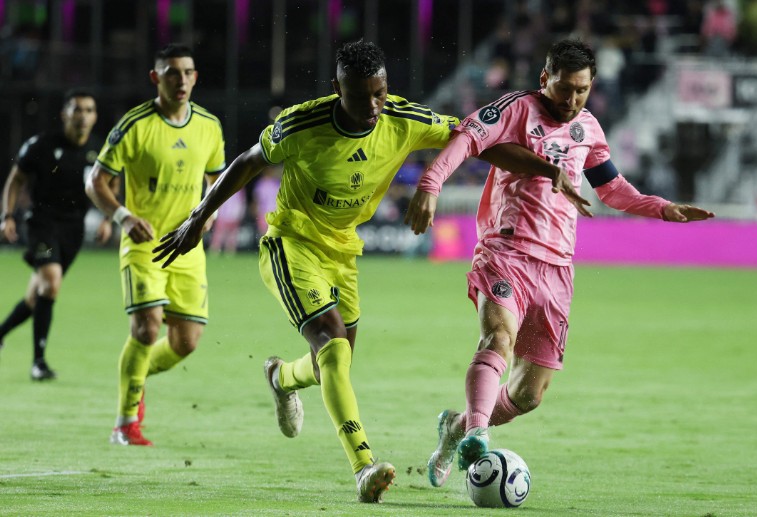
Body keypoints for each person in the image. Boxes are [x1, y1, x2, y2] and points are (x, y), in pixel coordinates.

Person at [150, 40, 582, 504]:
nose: (373, 106)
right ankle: (364, 466)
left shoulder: (403, 118)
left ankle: (280, 377)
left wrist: (545, 169)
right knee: (333, 350)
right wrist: (198, 218)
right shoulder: (301, 123)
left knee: (328, 363)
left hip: (344, 252)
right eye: (361, 96)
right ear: (337, 89)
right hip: (292, 243)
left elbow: (477, 142)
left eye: (380, 93)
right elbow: (247, 163)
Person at [404, 39, 715, 487]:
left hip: (557, 268)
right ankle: (476, 433)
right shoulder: (517, 109)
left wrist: (662, 208)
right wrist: (431, 184)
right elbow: (467, 138)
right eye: (564, 89)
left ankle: (455, 427)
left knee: (529, 394)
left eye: (582, 91)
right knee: (498, 336)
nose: (571, 101)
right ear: (544, 78)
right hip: (506, 250)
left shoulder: (587, 128)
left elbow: (611, 189)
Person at [85, 43, 225, 446]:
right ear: (155, 78)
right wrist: (124, 216)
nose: (181, 80)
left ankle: (137, 375)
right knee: (146, 330)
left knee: (186, 343)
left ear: (195, 77)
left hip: (186, 247)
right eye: (171, 72)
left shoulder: (209, 126)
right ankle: (125, 423)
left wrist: (208, 215)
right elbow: (95, 181)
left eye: (187, 72)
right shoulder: (134, 125)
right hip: (143, 246)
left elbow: (217, 180)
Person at [0, 88, 110, 381]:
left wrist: (109, 218)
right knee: (51, 283)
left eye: (89, 110)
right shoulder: (42, 145)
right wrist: (7, 215)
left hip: (72, 230)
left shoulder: (99, 151)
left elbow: (110, 185)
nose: (83, 116)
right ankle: (39, 363)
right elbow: (16, 179)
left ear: (95, 116)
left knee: (37, 296)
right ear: (65, 114)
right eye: (77, 109)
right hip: (41, 224)